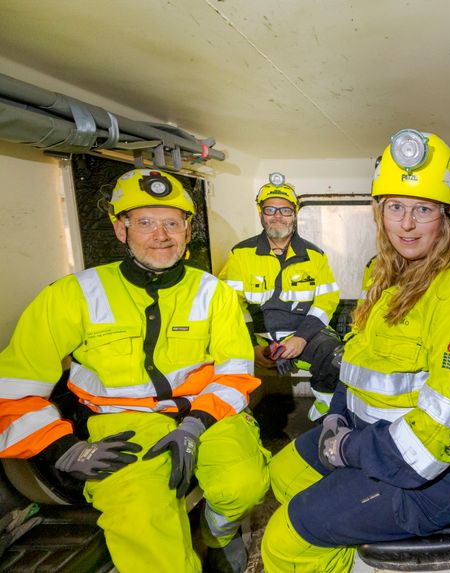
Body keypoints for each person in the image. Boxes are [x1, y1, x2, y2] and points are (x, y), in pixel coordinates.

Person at [260, 129, 450, 572]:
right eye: (396, 207)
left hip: (440, 476)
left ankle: (319, 541)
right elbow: (361, 363)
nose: (406, 224)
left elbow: (429, 446)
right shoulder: (385, 275)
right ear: (379, 211)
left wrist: (347, 450)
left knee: (283, 541)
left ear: (448, 216)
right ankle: (340, 543)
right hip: (376, 434)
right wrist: (336, 416)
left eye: (423, 209)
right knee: (282, 474)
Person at [0, 168, 270, 573]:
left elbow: (235, 373)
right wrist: (64, 449)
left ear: (188, 229)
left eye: (171, 222)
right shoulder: (71, 296)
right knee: (140, 519)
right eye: (144, 222)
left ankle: (219, 534)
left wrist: (195, 424)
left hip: (207, 413)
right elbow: (14, 388)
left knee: (244, 486)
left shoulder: (213, 292)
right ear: (120, 228)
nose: (160, 235)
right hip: (122, 424)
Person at [219, 174, 343, 421]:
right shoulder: (240, 254)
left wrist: (300, 339)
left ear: (295, 214)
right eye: (270, 210)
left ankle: (326, 412)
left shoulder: (314, 256)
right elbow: (229, 306)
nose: (278, 216)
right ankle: (236, 418)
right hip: (255, 336)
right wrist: (251, 347)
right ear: (260, 213)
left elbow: (326, 301)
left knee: (335, 355)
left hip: (300, 335)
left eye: (285, 210)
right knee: (221, 354)